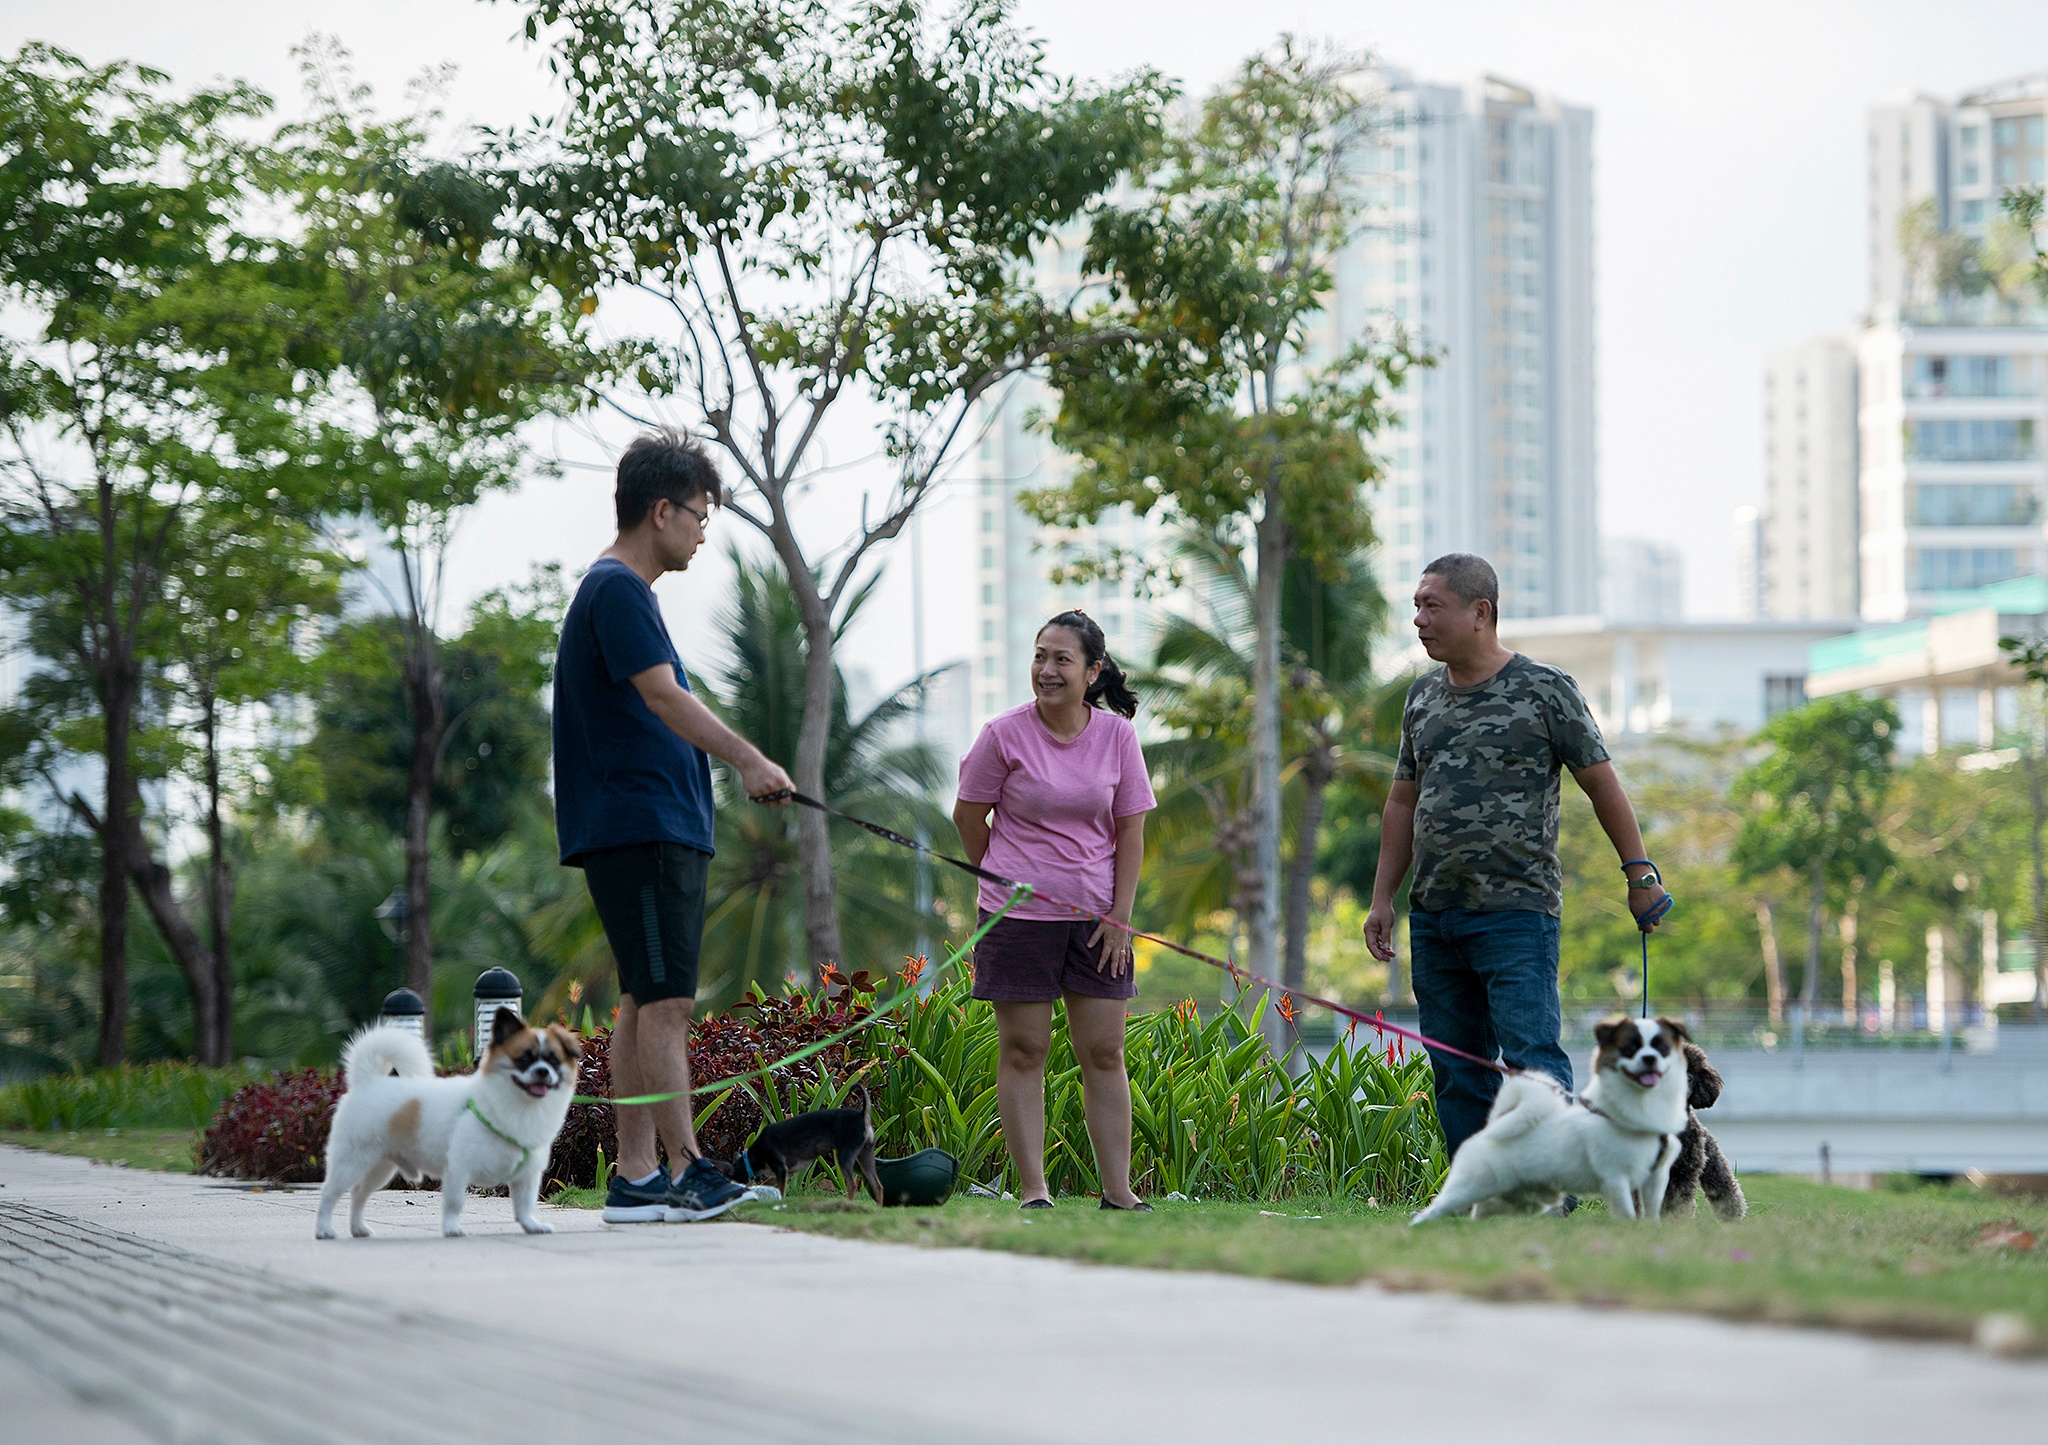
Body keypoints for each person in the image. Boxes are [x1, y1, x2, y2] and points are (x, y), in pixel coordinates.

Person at [553, 429, 795, 1224]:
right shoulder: (618, 589)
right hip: (643, 828)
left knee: (641, 998)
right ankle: (689, 1171)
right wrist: (749, 759)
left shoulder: (622, 592)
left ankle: (637, 1176)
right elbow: (663, 697)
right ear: (662, 511)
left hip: (647, 827)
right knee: (667, 1004)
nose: (701, 533)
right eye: (699, 516)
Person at [1363, 553, 1671, 1158]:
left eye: (1433, 606)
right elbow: (1401, 802)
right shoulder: (1421, 697)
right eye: (1416, 607)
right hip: (1434, 916)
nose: (1419, 620)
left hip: (1517, 914)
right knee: (1457, 1070)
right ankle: (1483, 1191)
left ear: (1480, 612)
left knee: (1532, 1062)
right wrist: (1382, 900)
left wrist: (1640, 876)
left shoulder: (1545, 689)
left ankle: (1552, 1186)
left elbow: (1602, 784)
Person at [952, 611, 1156, 1210]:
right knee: (1024, 1051)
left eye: (1062, 659)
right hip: (1016, 921)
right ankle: (1034, 1190)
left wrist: (1119, 917)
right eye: (1040, 656)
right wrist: (1003, 877)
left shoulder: (1117, 738)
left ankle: (1118, 1193)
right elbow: (968, 817)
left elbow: (1131, 832)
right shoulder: (1002, 735)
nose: (1046, 669)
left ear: (1092, 671)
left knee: (1105, 1052)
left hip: (1098, 921)